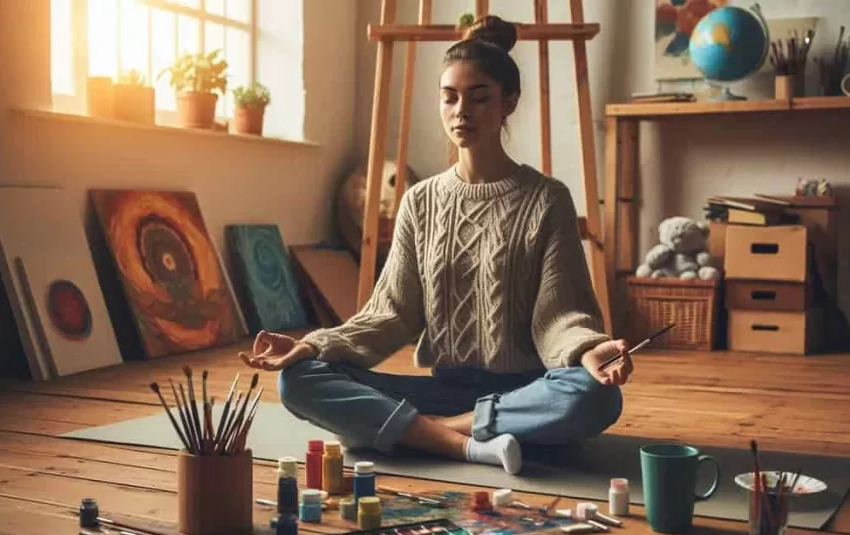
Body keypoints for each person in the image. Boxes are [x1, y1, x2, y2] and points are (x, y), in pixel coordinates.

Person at [240, 15, 633, 475]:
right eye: (449, 98)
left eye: (479, 97)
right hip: (439, 388)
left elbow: (560, 317)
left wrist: (587, 350)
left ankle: (429, 432)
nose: (461, 111)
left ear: (509, 102)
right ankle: (463, 441)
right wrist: (312, 346)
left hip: (524, 393)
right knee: (298, 381)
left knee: (595, 395)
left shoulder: (546, 199)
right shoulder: (420, 201)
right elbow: (389, 315)